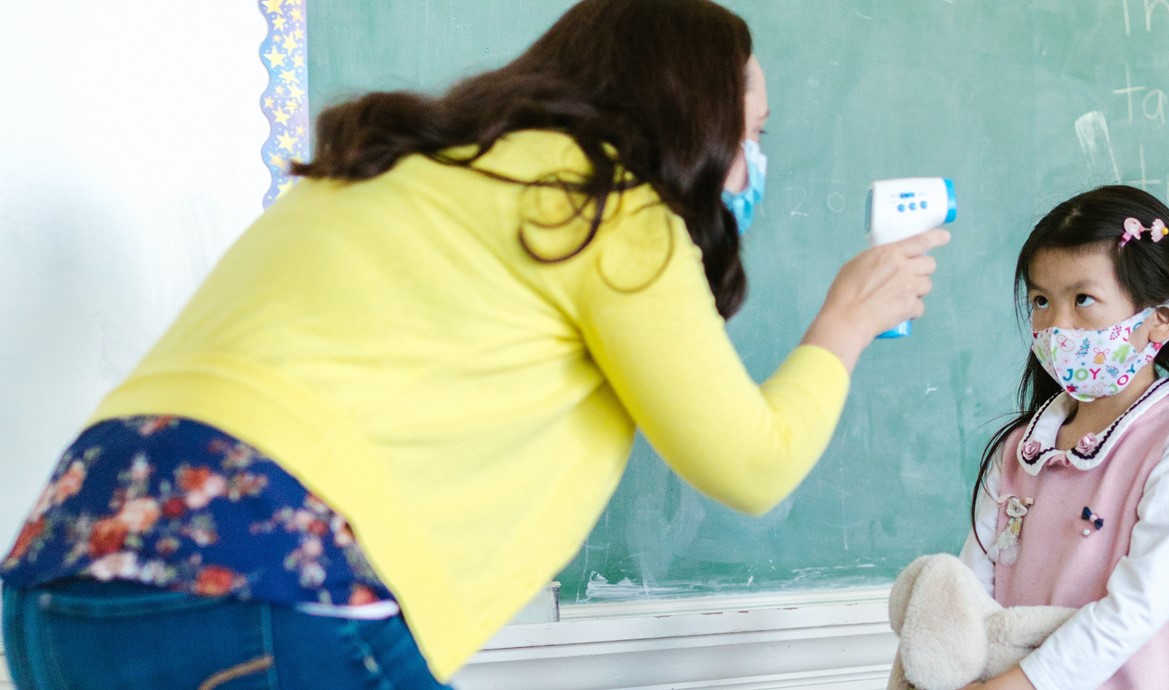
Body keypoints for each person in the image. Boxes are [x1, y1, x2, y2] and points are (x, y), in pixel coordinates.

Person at [0, 1, 949, 687]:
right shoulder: (602, 202)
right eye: (747, 133)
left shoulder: (391, 166)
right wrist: (846, 321)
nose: (751, 165)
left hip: (60, 568)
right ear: (685, 124)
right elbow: (750, 463)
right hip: (273, 578)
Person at [959, 185, 1169, 690]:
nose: (1056, 327)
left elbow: (1139, 605)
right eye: (1040, 300)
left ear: (1161, 319)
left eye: (1083, 300)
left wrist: (1021, 684)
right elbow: (972, 588)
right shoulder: (1019, 452)